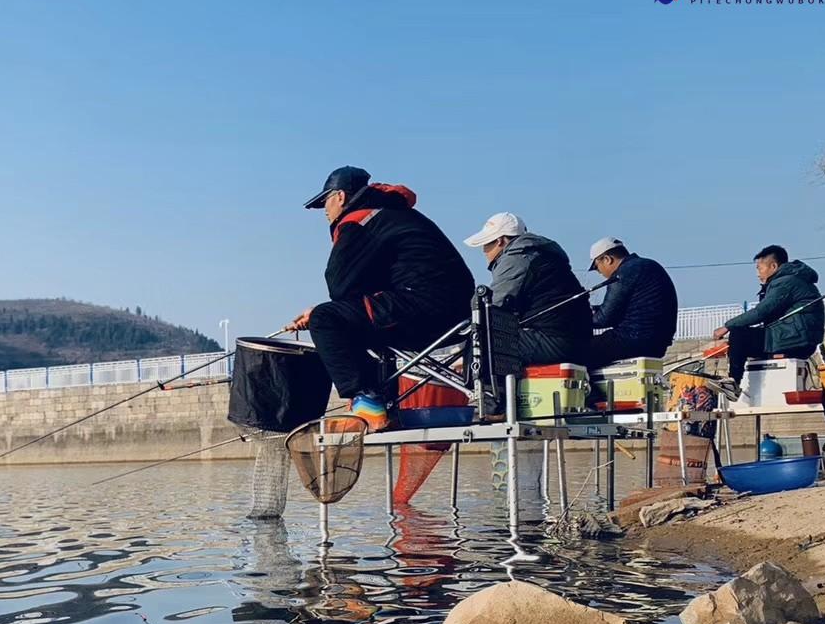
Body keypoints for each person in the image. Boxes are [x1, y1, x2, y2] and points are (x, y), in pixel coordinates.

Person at [286, 166, 474, 428]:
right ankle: (380, 400)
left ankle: (368, 401)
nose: (324, 212)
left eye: (325, 202)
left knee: (325, 319)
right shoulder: (395, 215)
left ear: (340, 197)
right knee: (353, 318)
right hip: (455, 313)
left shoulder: (359, 221)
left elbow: (340, 287)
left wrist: (315, 313)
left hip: (423, 308)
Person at [463, 213, 592, 365]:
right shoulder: (539, 252)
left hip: (557, 340)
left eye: (485, 244)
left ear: (500, 241)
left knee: (481, 343)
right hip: (576, 336)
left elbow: (494, 306)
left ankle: (474, 389)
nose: (484, 251)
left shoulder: (516, 258)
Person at [712, 246, 825, 399]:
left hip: (794, 340)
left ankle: (733, 382)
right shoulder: (794, 279)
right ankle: (733, 381)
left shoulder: (785, 282)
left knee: (739, 333)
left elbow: (761, 312)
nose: (758, 274)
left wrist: (727, 326)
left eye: (760, 268)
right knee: (742, 337)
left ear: (773, 266)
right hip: (795, 337)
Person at [582, 237, 679, 368]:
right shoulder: (648, 265)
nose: (599, 272)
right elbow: (623, 307)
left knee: (573, 351)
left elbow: (604, 319)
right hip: (658, 342)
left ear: (607, 259)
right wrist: (591, 310)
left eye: (596, 266)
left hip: (632, 339)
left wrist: (573, 320)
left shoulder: (623, 273)